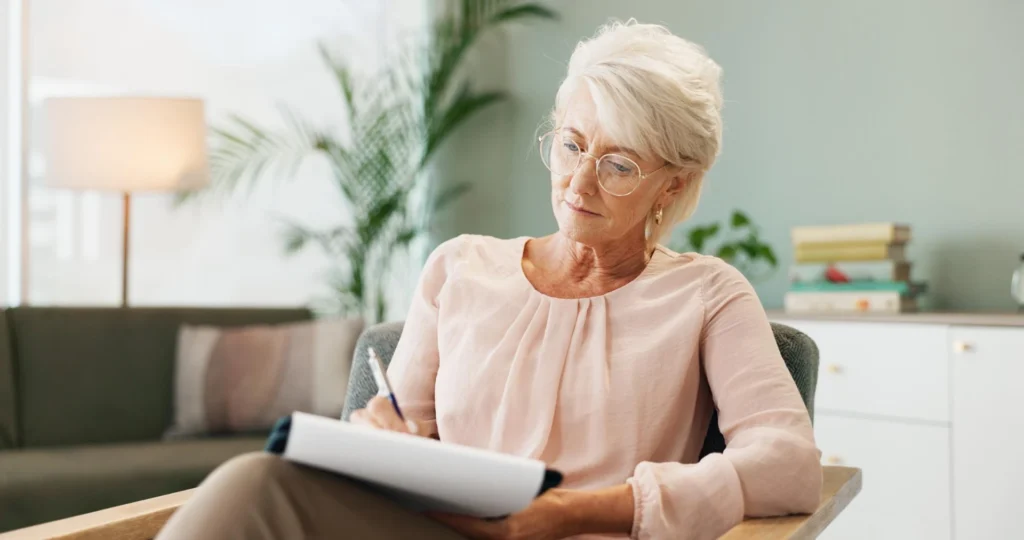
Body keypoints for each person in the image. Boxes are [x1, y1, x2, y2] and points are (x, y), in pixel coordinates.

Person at [157, 19, 822, 540]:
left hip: (588, 537)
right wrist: (384, 438)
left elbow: (789, 465)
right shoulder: (460, 267)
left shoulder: (707, 295)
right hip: (436, 533)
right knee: (256, 483)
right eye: (571, 144)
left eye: (618, 164)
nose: (578, 182)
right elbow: (402, 429)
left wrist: (570, 513)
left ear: (672, 186)